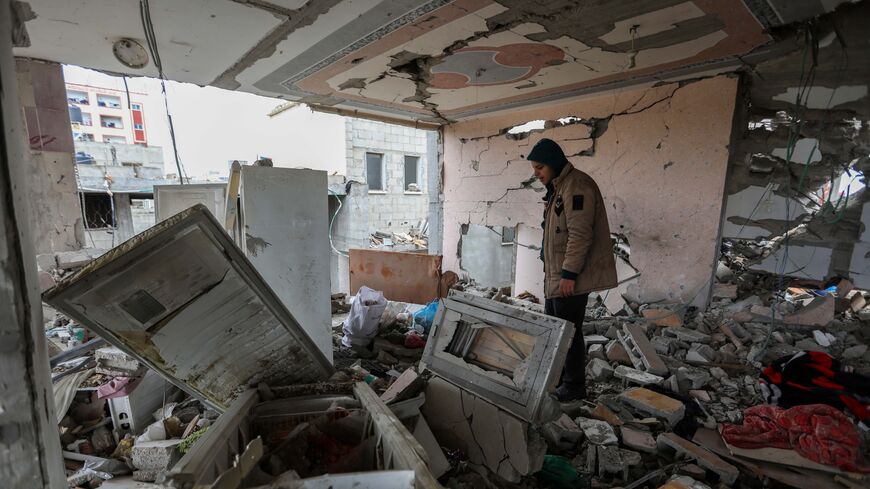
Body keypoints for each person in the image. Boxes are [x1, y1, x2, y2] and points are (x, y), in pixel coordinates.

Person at [528, 138, 617, 402]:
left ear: (554, 163)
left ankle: (574, 386)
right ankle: (556, 379)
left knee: (567, 333)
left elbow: (580, 234)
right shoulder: (559, 187)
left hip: (567, 277)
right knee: (555, 329)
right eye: (534, 167)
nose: (536, 173)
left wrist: (569, 275)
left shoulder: (576, 185)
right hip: (556, 275)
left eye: (540, 167)